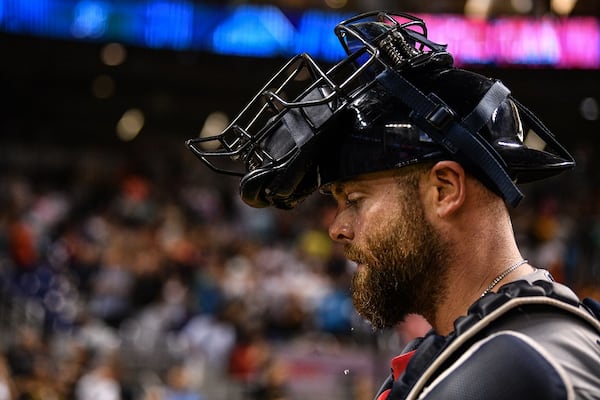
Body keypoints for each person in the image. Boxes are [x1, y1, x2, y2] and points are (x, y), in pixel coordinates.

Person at [186, 11, 600, 400]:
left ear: (444, 190)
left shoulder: (513, 369)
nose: (337, 228)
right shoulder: (495, 339)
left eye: (354, 198)